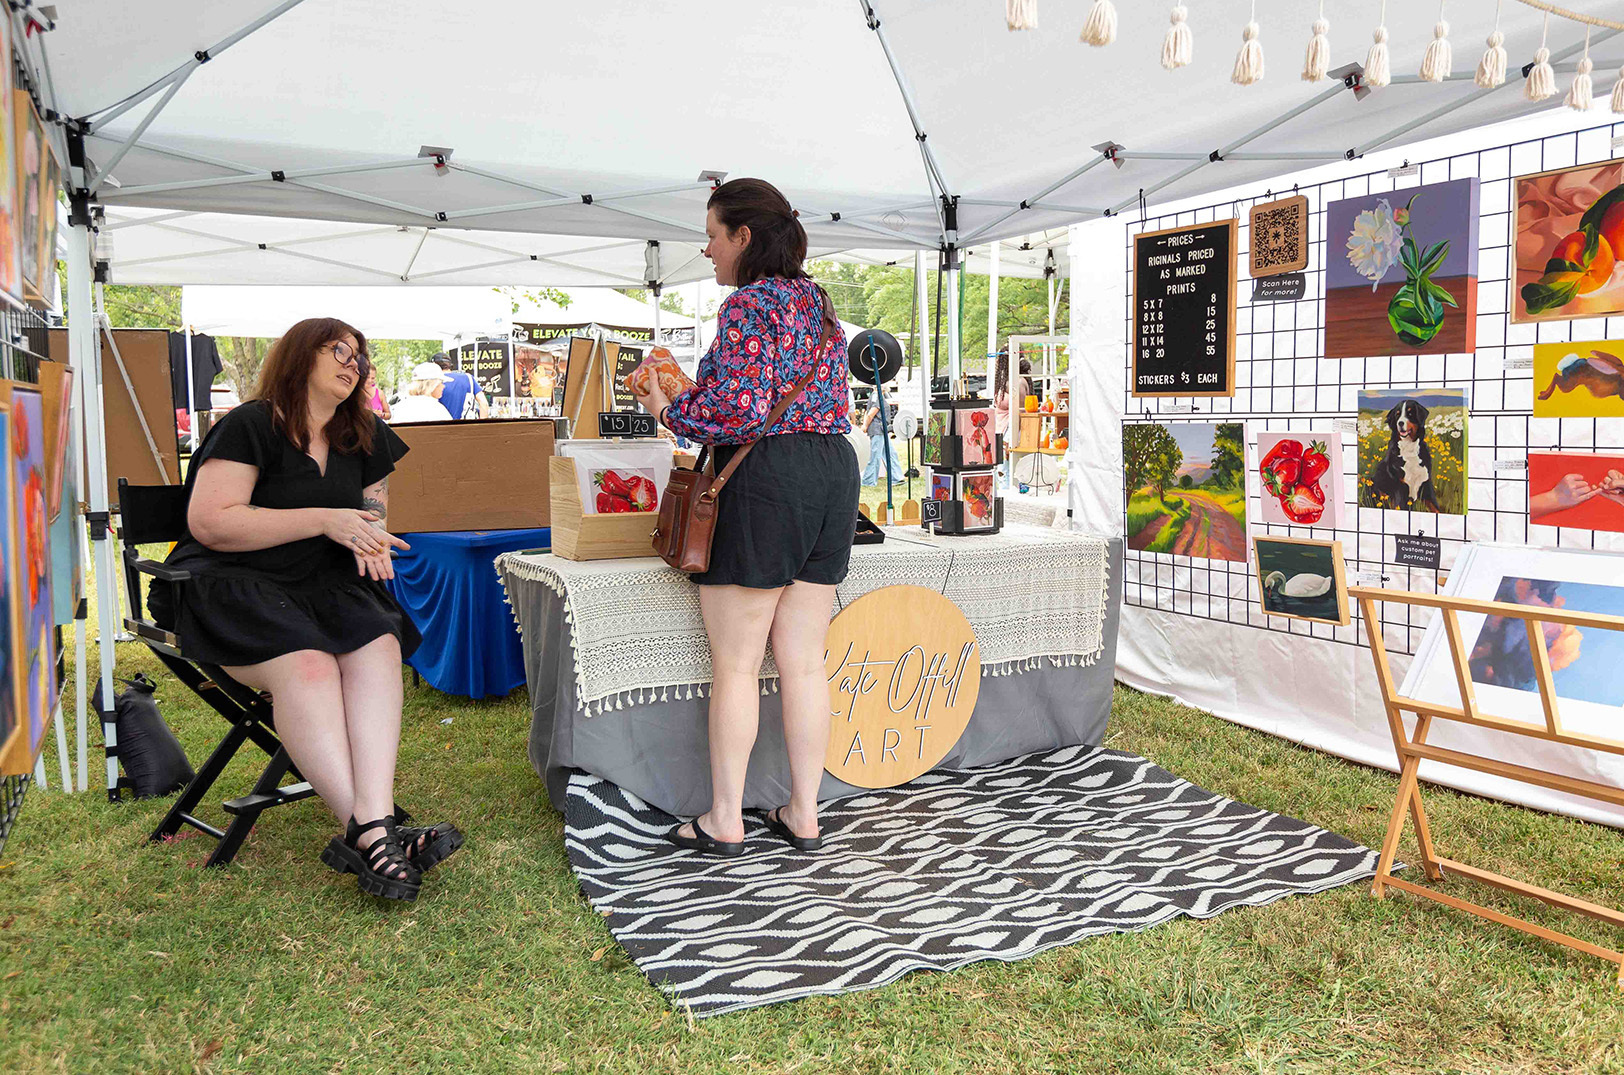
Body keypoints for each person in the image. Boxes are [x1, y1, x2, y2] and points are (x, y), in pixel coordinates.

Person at [153, 318, 461, 900]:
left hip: (322, 584)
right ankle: (378, 831)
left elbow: (372, 513)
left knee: (379, 646)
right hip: (236, 583)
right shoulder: (251, 424)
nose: (354, 363)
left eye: (361, 356)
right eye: (339, 350)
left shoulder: (363, 432)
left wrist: (372, 539)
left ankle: (371, 827)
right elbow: (211, 522)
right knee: (310, 667)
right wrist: (324, 519)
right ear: (300, 356)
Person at [631, 177, 856, 857]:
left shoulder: (747, 306)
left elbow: (740, 411)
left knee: (735, 663)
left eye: (711, 234)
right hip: (832, 471)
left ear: (744, 238)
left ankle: (726, 817)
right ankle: (804, 813)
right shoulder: (819, 304)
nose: (705, 249)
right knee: (804, 661)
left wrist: (667, 409)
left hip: (767, 479)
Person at [859, 388, 903, 486]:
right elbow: (871, 413)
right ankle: (868, 480)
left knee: (891, 453)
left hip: (881, 430)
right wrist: (865, 426)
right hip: (877, 429)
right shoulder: (877, 396)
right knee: (875, 456)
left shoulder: (878, 395)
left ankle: (896, 477)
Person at [390, 362, 456, 423]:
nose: (443, 386)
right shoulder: (436, 409)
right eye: (441, 382)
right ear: (433, 385)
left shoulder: (400, 407)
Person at [433, 353, 488, 420]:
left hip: (443, 427)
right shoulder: (468, 378)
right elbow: (483, 403)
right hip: (466, 426)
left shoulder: (434, 382)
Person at [994, 356, 1031, 440]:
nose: (996, 361)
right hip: (1000, 428)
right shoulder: (1004, 381)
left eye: (999, 359)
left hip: (1010, 430)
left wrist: (1012, 437)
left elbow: (1021, 410)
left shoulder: (1019, 382)